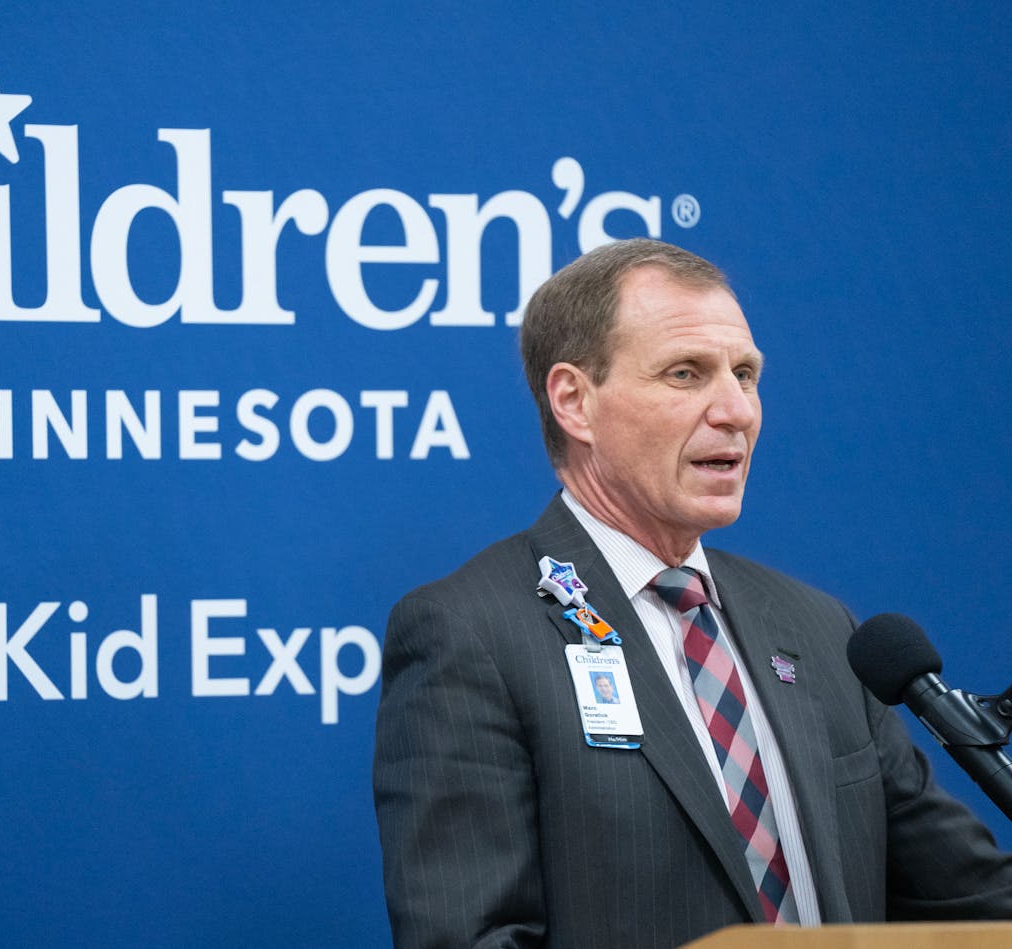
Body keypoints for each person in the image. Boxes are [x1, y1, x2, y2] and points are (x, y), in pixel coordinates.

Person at [372, 239, 1012, 948]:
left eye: (746, 373)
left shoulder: (822, 629)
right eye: (687, 373)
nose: (736, 409)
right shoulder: (472, 633)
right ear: (575, 401)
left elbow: (975, 899)